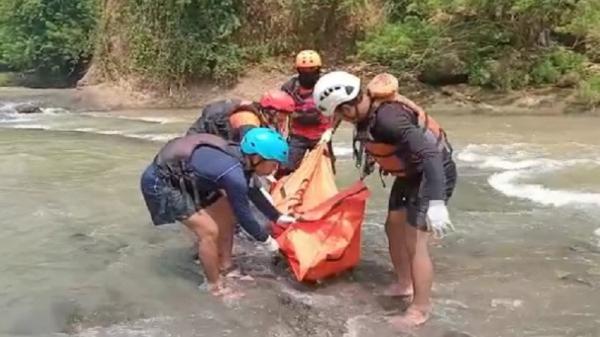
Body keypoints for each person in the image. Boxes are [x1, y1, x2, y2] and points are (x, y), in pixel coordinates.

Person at [312, 71, 457, 328]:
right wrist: (326, 137)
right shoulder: (364, 110)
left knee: (415, 241)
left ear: (348, 107)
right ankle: (405, 284)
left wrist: (436, 203)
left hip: (433, 172)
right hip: (410, 174)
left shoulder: (390, 120)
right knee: (393, 225)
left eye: (341, 115)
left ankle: (420, 309)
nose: (341, 120)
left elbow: (431, 155)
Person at [140, 128, 297, 297]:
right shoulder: (233, 173)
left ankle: (226, 266)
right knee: (208, 231)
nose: (275, 169)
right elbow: (244, 216)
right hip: (162, 181)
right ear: (257, 157)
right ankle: (215, 286)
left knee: (226, 215)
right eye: (274, 163)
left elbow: (252, 191)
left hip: (187, 175)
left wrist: (277, 217)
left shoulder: (243, 159)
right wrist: (267, 242)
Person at [279, 50, 333, 175]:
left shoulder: (327, 86)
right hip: (298, 135)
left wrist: (330, 130)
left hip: (321, 136)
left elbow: (339, 110)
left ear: (318, 69)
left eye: (311, 69)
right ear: (298, 70)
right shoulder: (289, 87)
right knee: (285, 169)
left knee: (325, 171)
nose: (308, 73)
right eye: (304, 71)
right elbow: (280, 112)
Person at [186, 89, 295, 142]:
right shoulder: (248, 120)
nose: (284, 119)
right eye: (283, 114)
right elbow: (247, 153)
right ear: (271, 111)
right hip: (197, 140)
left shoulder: (262, 114)